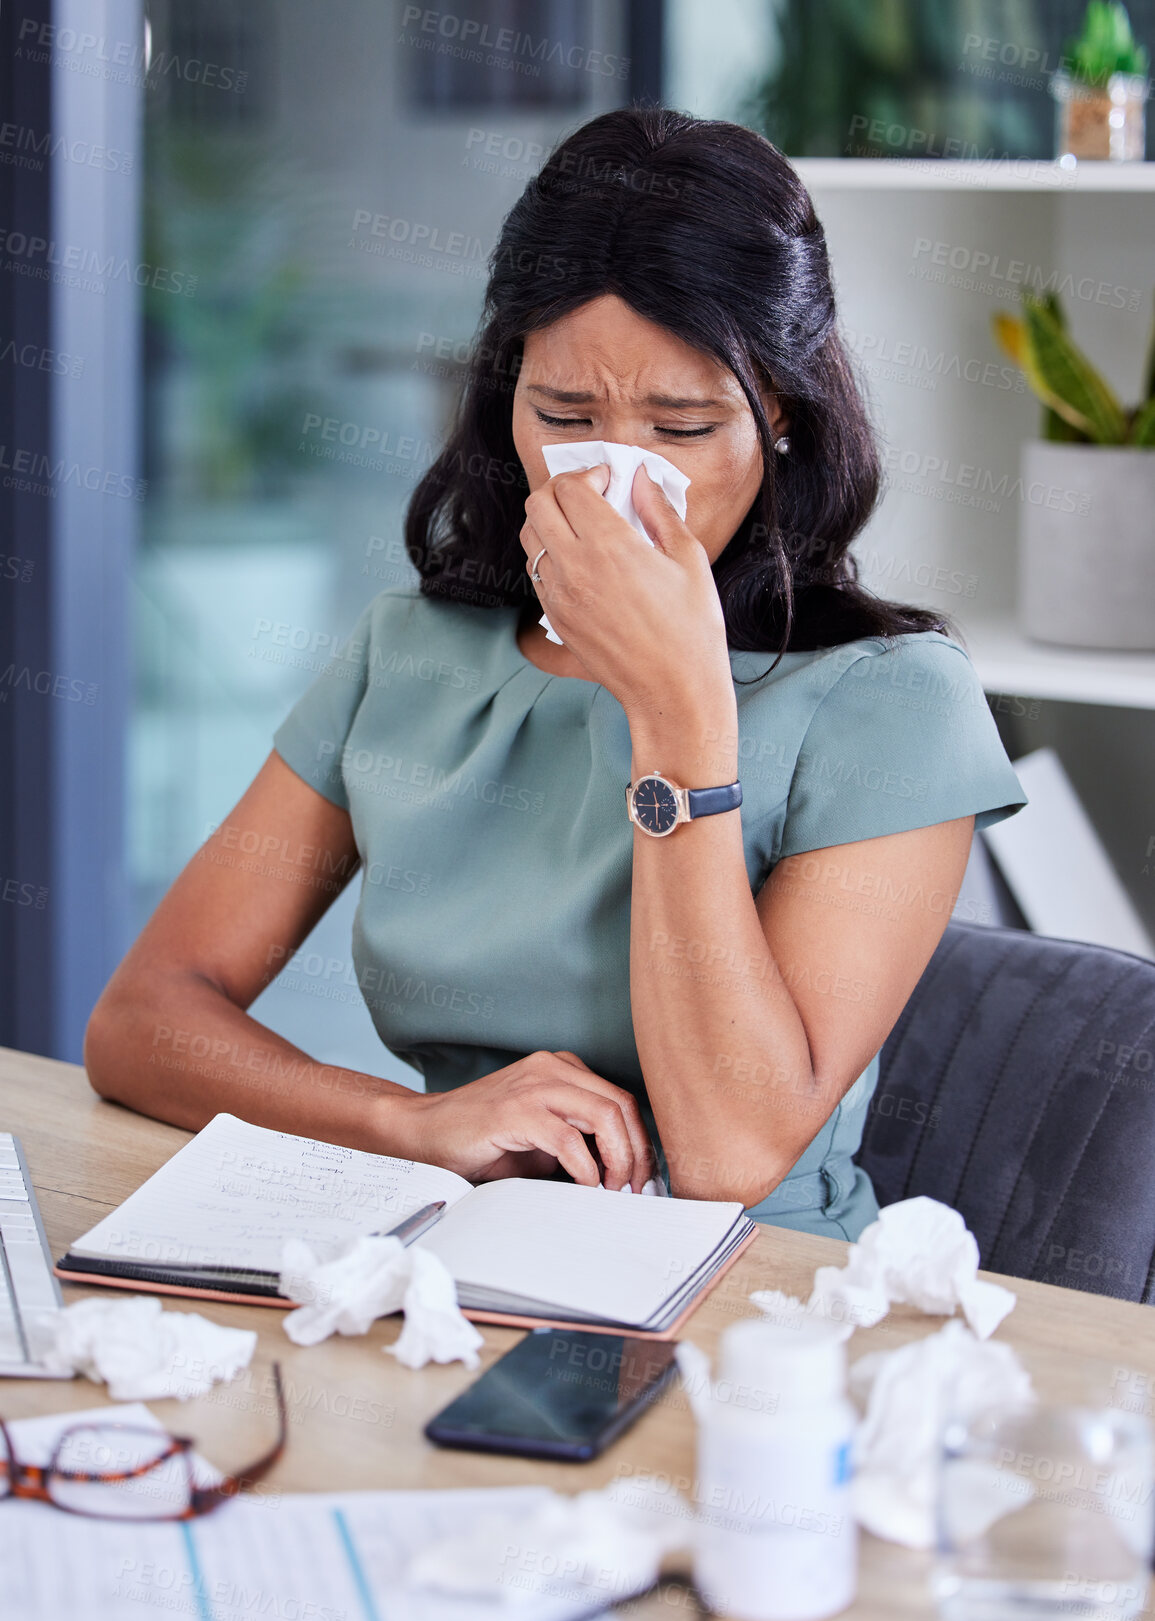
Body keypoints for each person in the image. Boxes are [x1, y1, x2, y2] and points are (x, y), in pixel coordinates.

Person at [85, 108, 1025, 1239]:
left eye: (682, 426)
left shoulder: (894, 703)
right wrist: (409, 1125)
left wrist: (677, 711)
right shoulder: (412, 652)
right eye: (565, 414)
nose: (618, 476)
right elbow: (142, 1021)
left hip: (753, 1298)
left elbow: (730, 1154)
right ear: (506, 394)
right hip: (458, 1256)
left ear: (778, 411)